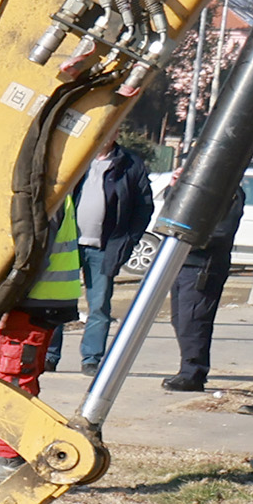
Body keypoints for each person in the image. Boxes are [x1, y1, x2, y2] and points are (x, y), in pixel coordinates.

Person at [0, 198, 85, 482]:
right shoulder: (54, 189)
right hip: (41, 301)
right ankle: (7, 453)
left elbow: (29, 256)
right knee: (16, 378)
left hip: (31, 302)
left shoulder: (42, 194)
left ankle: (8, 457)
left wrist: (4, 302)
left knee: (12, 381)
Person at [163, 140, 247, 391]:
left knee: (194, 319)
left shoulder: (227, 191)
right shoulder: (193, 188)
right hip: (182, 262)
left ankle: (193, 373)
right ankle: (188, 366)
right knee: (180, 319)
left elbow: (222, 231)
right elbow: (172, 215)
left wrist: (193, 241)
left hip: (203, 264)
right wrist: (174, 189)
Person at [73, 136, 153, 376]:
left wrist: (127, 241)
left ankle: (91, 358)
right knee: (59, 302)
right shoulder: (78, 157)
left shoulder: (129, 164)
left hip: (104, 248)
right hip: (68, 245)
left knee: (98, 306)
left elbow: (144, 206)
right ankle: (49, 355)